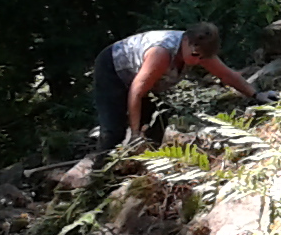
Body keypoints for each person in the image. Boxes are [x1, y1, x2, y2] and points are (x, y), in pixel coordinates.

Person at [92, 23, 265, 148]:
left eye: (202, 58)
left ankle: (141, 165)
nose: (197, 61)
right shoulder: (161, 53)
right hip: (111, 68)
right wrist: (135, 134)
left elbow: (226, 74)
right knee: (114, 131)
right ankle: (98, 175)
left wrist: (256, 95)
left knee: (157, 121)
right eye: (195, 55)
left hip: (138, 76)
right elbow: (137, 91)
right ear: (186, 40)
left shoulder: (201, 49)